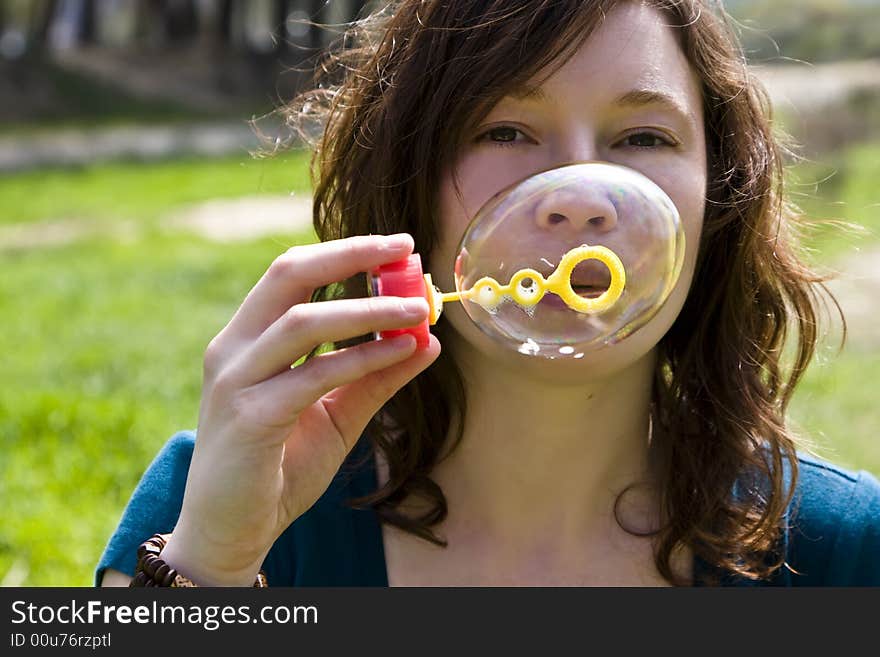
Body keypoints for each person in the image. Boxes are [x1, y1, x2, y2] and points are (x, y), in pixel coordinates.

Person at [97, 0, 880, 587]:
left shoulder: (843, 550)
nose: (579, 196)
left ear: (719, 202)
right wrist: (217, 560)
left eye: (643, 137)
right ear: (409, 187)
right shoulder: (222, 496)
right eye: (504, 129)